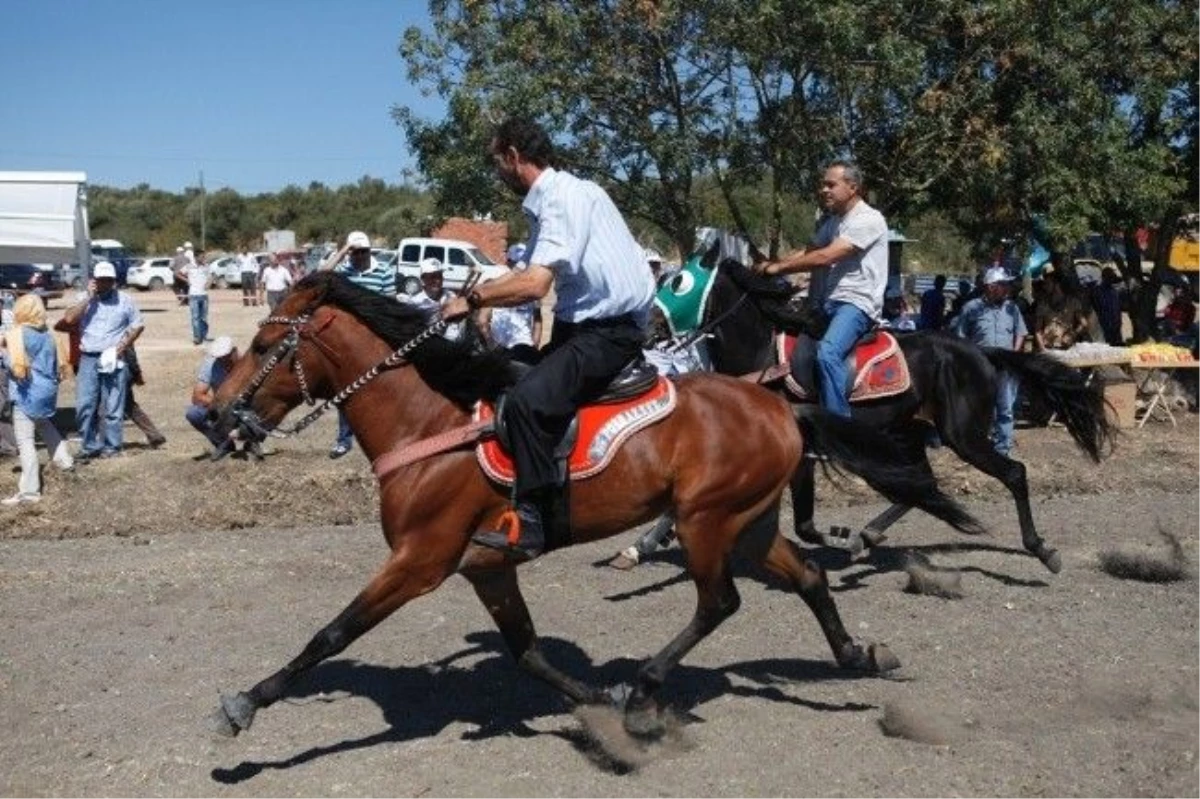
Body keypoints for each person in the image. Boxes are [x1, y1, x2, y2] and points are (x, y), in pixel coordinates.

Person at [441, 117, 654, 560]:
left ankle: (539, 520)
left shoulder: (558, 199)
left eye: (497, 162)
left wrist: (474, 298)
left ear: (515, 157)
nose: (497, 172)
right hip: (583, 327)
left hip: (608, 333)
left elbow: (535, 284)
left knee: (527, 402)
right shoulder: (571, 193)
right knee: (510, 369)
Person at [754, 161, 889, 417]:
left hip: (856, 304)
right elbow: (810, 251)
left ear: (853, 187)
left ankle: (840, 428)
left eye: (831, 184)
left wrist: (778, 270)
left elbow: (826, 257)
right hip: (828, 303)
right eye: (822, 185)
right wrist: (774, 263)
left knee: (828, 354)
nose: (823, 190)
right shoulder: (833, 222)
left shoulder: (869, 219)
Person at [320, 231, 397, 459]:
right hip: (349, 340)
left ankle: (383, 438)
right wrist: (343, 251)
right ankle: (344, 440)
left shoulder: (384, 270)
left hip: (374, 337)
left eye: (363, 251)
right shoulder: (344, 271)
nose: (360, 256)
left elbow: (390, 303)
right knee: (346, 389)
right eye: (356, 251)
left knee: (381, 388)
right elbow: (321, 275)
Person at [58, 262, 144, 461]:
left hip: (114, 357)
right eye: (101, 280)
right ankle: (89, 446)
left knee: (113, 405)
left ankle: (112, 447)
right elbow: (69, 319)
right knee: (84, 405)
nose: (105, 284)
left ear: (114, 281)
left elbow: (138, 324)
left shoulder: (125, 300)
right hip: (89, 357)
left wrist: (124, 345)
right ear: (94, 280)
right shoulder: (84, 299)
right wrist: (89, 298)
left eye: (109, 280)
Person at [0, 294, 74, 504]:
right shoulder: (49, 334)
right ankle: (64, 462)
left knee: (25, 441)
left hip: (27, 392)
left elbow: (14, 366)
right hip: (47, 391)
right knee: (44, 424)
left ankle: (30, 492)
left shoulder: (17, 334)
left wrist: (3, 351)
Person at [54, 312, 165, 449]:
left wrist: (136, 372)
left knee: (101, 404)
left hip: (108, 367)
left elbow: (61, 324)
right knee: (126, 404)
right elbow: (60, 325)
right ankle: (153, 435)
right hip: (102, 366)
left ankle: (99, 439)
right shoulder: (87, 323)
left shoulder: (102, 329)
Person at [952, 267, 1028, 456]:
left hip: (1005, 366)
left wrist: (1014, 353)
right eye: (1003, 284)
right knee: (979, 406)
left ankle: (1002, 448)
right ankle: (979, 443)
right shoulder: (971, 308)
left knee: (1005, 407)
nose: (1007, 288)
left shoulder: (1012, 308)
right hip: (980, 366)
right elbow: (960, 336)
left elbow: (1021, 332)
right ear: (991, 287)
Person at [185, 335, 258, 459]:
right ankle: (224, 444)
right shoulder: (211, 364)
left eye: (227, 357)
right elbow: (197, 396)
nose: (224, 361)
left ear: (235, 351)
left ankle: (251, 442)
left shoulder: (249, 364)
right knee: (194, 413)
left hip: (246, 409)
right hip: (221, 408)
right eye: (220, 359)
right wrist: (222, 404)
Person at [478, 243, 544, 363]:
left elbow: (538, 320)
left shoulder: (533, 290)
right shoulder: (496, 286)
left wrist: (534, 344)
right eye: (516, 264)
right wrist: (491, 343)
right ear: (508, 262)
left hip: (523, 346)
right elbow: (483, 319)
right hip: (499, 347)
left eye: (525, 265)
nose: (521, 269)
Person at [1034, 270, 1089, 351]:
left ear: (1057, 285)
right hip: (1048, 348)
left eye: (1048, 284)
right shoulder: (1043, 304)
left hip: (1067, 348)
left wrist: (1072, 334)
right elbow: (1037, 330)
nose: (1044, 287)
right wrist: (1043, 349)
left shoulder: (1073, 302)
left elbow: (1084, 323)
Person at [176, 247, 212, 345]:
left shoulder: (206, 266)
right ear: (196, 257)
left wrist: (208, 283)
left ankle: (204, 336)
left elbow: (210, 277)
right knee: (195, 317)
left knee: (203, 318)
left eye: (204, 257)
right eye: (201, 257)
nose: (203, 258)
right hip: (193, 295)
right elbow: (178, 273)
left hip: (204, 295)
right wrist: (187, 280)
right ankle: (197, 337)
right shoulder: (189, 266)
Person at [1091, 267, 1124, 346]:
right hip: (1104, 327)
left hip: (1116, 326)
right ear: (1104, 277)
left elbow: (1118, 309)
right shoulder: (1097, 292)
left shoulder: (1114, 291)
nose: (1111, 280)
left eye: (1112, 278)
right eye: (1109, 277)